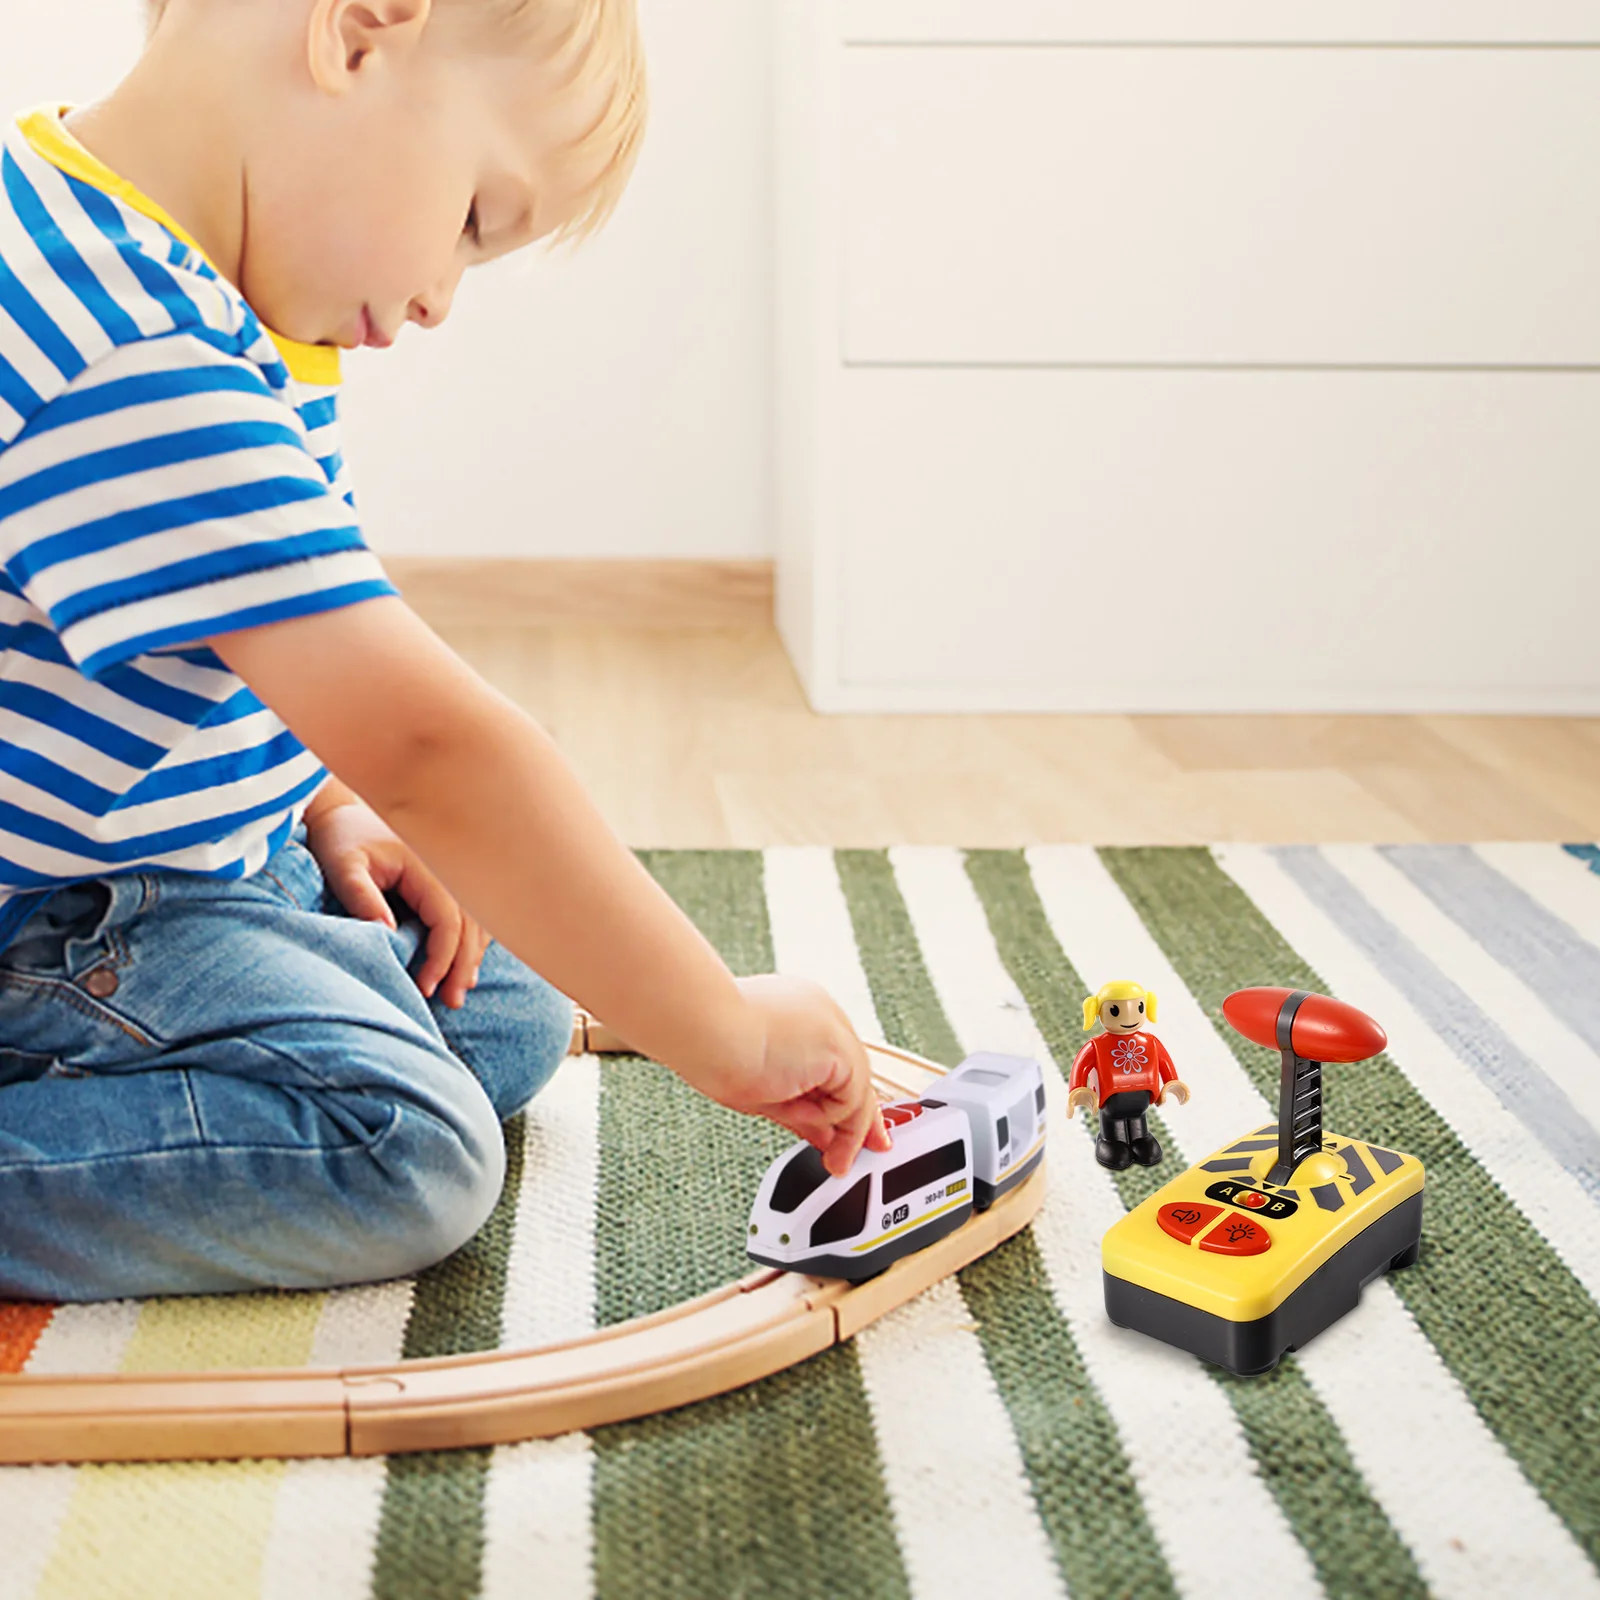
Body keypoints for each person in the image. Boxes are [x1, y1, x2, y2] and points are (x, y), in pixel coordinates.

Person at [0, 0, 889, 1303]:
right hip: (54, 929)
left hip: (152, 864)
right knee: (405, 1149)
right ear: (358, 34)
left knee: (503, 1002)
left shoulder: (132, 260)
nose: (437, 302)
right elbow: (435, 747)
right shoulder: (125, 350)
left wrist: (321, 806)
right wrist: (725, 1032)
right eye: (476, 220)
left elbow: (174, 658)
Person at [1067, 981, 1189, 1170]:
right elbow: (1080, 1066)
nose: (1129, 1016)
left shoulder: (1150, 1042)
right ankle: (1111, 1141)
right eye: (1115, 1010)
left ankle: (1140, 1138)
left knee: (1138, 1122)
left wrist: (1171, 1081)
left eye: (1138, 1007)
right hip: (1111, 1100)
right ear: (1098, 1011)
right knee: (1113, 1122)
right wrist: (1078, 1089)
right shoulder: (1096, 1046)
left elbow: (1164, 1062)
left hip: (1141, 1099)